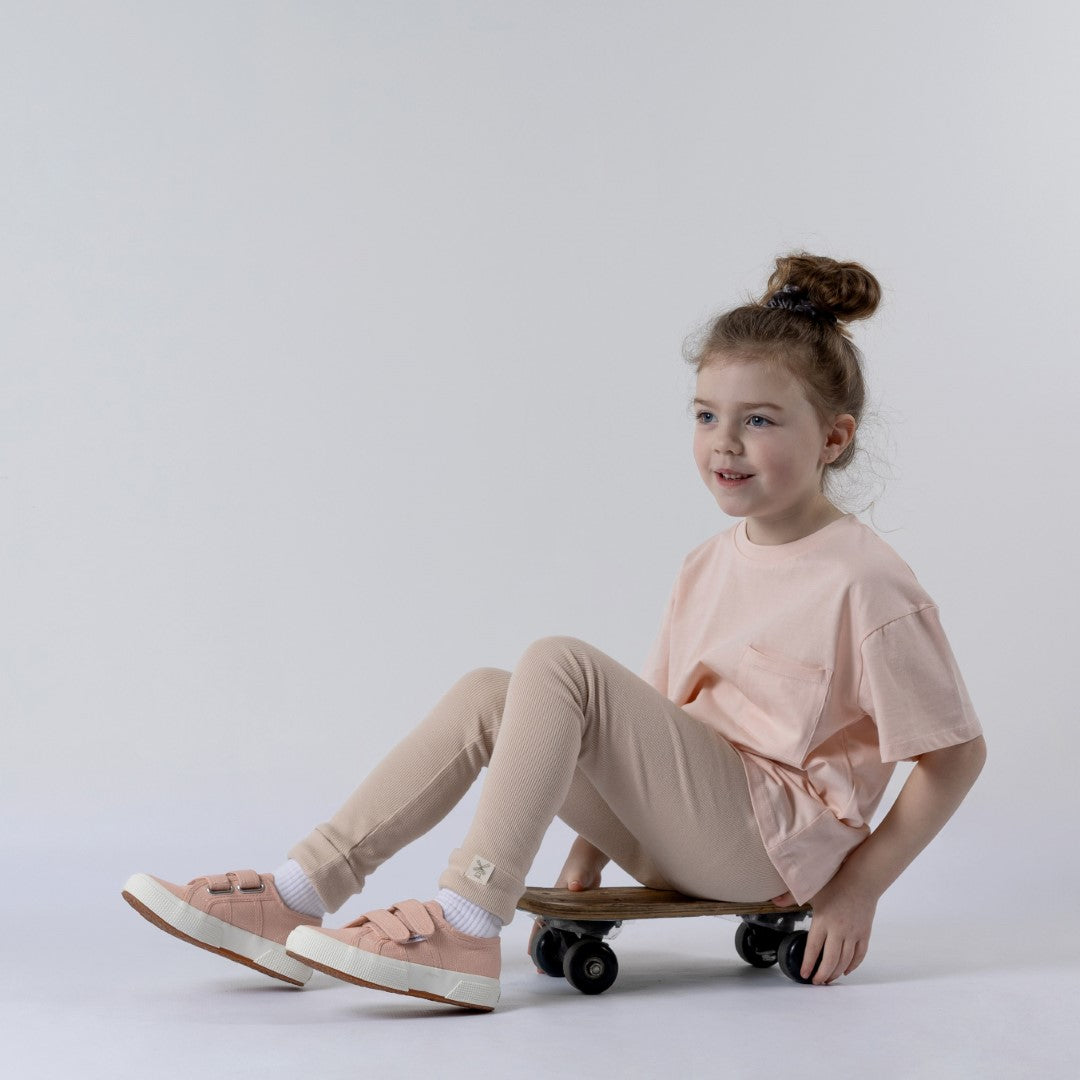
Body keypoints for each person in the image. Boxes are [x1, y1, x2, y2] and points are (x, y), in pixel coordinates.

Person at [122, 250, 986, 1012]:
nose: (725, 444)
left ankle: (467, 920)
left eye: (760, 420)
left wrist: (857, 892)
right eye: (704, 415)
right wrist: (591, 847)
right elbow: (646, 724)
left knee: (559, 662)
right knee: (490, 694)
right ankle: (300, 889)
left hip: (771, 847)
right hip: (693, 822)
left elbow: (955, 756)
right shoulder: (707, 562)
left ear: (835, 437)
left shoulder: (865, 581)